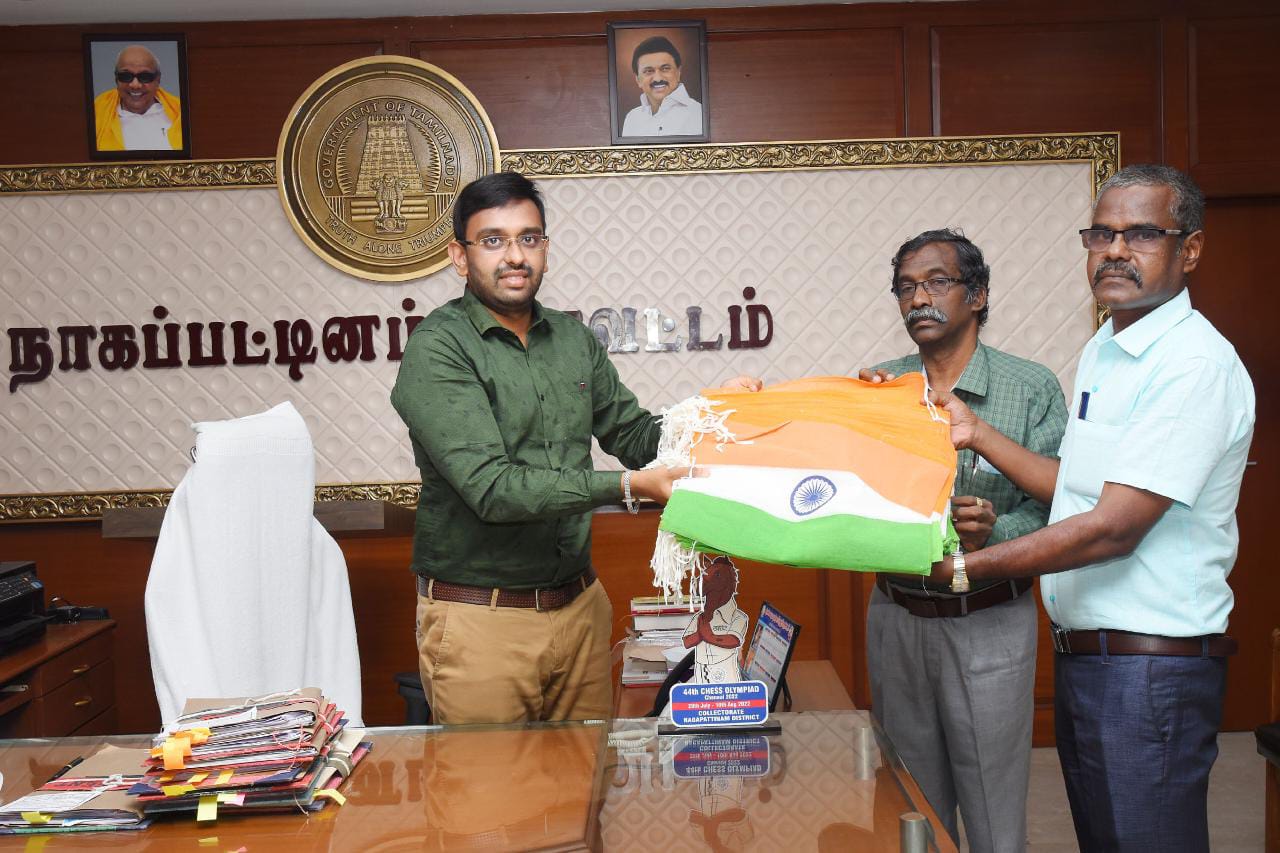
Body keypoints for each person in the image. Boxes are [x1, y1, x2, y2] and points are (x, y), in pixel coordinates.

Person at [908, 165, 1254, 852]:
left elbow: (1113, 526)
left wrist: (967, 569)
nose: (1115, 251)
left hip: (1149, 670)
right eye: (1101, 234)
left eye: (1142, 234)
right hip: (1092, 660)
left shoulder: (1193, 364)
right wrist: (978, 433)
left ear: (1189, 250)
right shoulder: (1107, 346)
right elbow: (1078, 488)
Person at [391, 171, 758, 724]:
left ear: (545, 249)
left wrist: (709, 415)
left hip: (580, 610)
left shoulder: (573, 339)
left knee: (586, 779)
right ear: (460, 257)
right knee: (490, 784)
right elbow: (493, 489)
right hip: (482, 621)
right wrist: (631, 487)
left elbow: (634, 435)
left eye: (528, 238)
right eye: (493, 240)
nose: (514, 256)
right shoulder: (439, 348)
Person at [860, 229, 1067, 853]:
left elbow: (1061, 507)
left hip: (989, 619)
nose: (919, 298)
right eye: (906, 288)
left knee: (993, 814)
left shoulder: (1030, 387)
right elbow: (849, 498)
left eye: (936, 282)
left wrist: (993, 533)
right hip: (896, 615)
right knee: (911, 811)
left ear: (976, 295)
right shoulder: (880, 388)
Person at [93, 45, 183, 151]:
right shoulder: (97, 112)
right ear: (116, 79)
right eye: (126, 76)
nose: (135, 85)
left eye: (144, 77)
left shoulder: (180, 113)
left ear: (158, 80)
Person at [681, 557, 749, 683]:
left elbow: (733, 640)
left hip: (724, 673)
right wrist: (700, 634)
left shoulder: (738, 617)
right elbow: (686, 642)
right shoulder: (699, 617)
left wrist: (709, 636)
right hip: (701, 671)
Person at [620, 35, 704, 137]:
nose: (658, 78)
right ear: (638, 80)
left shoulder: (699, 113)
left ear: (678, 73)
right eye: (649, 71)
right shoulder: (632, 119)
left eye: (665, 69)